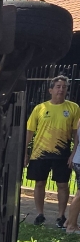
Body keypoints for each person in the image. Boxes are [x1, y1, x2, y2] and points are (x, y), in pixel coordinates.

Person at [27, 74, 80, 227]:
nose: (61, 90)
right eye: (58, 87)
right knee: (39, 183)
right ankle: (39, 214)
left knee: (62, 184)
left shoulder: (73, 108)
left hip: (62, 153)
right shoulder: (40, 108)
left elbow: (76, 134)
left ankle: (61, 215)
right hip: (40, 153)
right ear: (50, 90)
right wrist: (25, 152)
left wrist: (73, 153)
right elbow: (29, 132)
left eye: (64, 87)